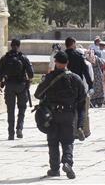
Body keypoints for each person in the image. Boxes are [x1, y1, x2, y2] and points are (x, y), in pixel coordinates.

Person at [34, 51, 86, 179]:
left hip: (52, 114)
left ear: (56, 62)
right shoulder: (75, 78)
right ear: (67, 63)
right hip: (68, 114)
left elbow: (37, 94)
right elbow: (82, 98)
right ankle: (67, 162)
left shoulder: (50, 78)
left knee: (53, 141)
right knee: (68, 141)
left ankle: (54, 168)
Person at [0, 39, 34, 140]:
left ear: (11, 46)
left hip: (9, 85)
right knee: (22, 108)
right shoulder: (23, 57)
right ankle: (19, 129)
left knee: (10, 110)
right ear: (19, 46)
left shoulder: (4, 58)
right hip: (21, 85)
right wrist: (29, 82)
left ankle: (11, 133)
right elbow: (31, 74)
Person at [64, 37, 93, 141]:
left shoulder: (63, 56)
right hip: (78, 85)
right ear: (73, 44)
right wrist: (90, 85)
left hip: (65, 85)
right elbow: (85, 72)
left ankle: (69, 130)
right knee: (81, 109)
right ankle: (80, 127)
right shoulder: (79, 57)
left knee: (68, 109)